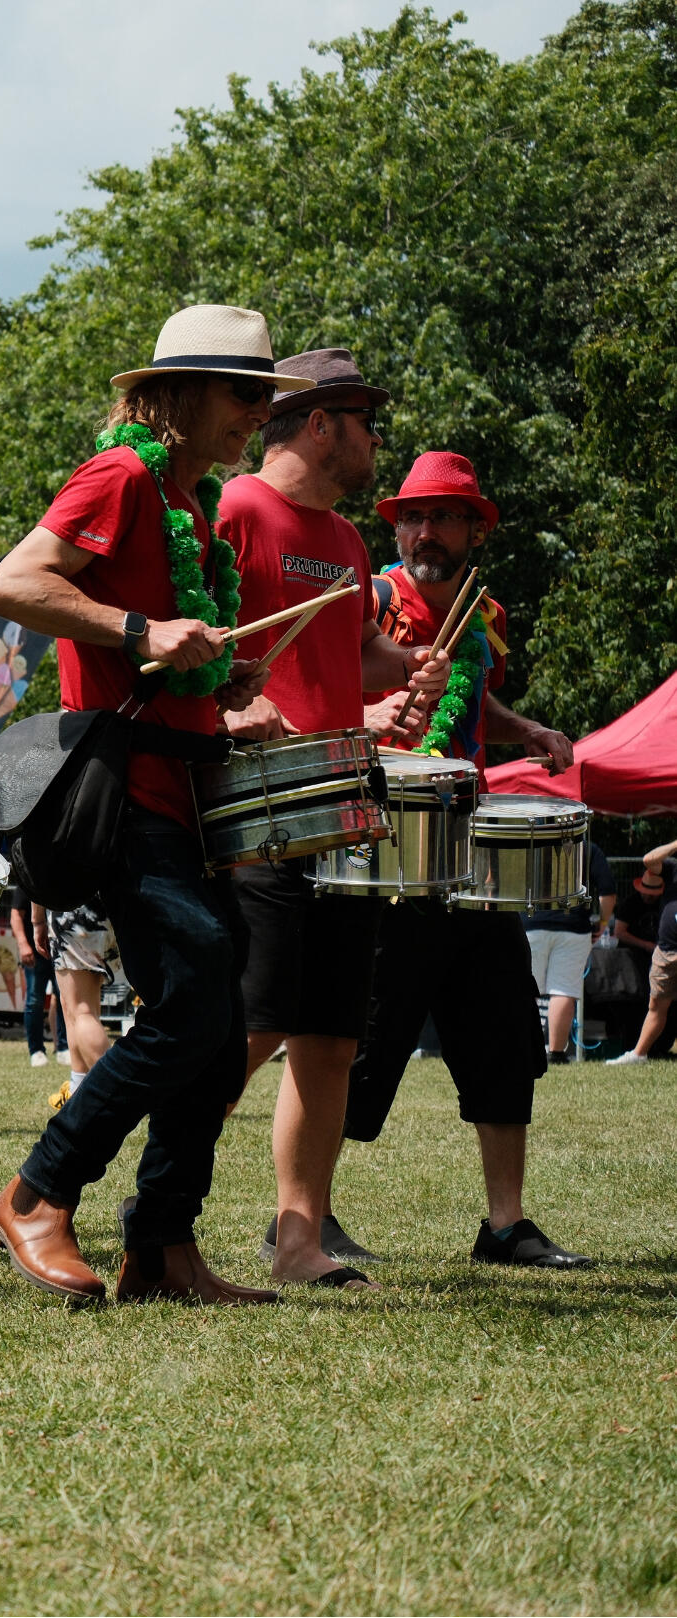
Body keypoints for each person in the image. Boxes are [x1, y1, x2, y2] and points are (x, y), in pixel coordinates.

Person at [0, 304, 292, 1306]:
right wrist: (138, 626)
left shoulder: (191, 505)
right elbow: (13, 584)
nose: (256, 415)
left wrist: (227, 680)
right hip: (126, 796)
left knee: (213, 1009)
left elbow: (172, 657)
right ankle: (36, 1191)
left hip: (193, 786)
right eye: (245, 395)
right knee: (195, 993)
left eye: (263, 398)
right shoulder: (118, 477)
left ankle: (160, 1247)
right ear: (187, 392)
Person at [211, 350, 446, 1288]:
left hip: (345, 803)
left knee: (331, 1036)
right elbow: (187, 636)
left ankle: (298, 1240)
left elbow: (354, 656)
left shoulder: (348, 544)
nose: (375, 439)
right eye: (364, 421)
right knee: (252, 1022)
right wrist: (230, 711)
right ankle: (146, 1193)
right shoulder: (233, 510)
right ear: (319, 423)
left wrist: (405, 673)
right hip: (257, 803)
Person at [343, 451, 590, 1268]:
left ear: (475, 529)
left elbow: (472, 700)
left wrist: (530, 733)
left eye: (443, 516)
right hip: (385, 857)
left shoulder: (487, 616)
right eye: (412, 516)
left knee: (504, 1035)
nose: (424, 531)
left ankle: (505, 1225)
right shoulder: (373, 601)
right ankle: (300, 1218)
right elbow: (324, 690)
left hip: (472, 856)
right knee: (358, 1043)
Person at [527, 837, 616, 1063]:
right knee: (563, 990)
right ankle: (555, 1054)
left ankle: (522, 1049)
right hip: (573, 926)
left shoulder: (529, 842)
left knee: (525, 989)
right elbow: (607, 891)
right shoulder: (588, 848)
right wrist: (603, 922)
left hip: (530, 922)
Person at [40, 900, 119, 1110]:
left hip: (73, 903)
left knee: (81, 1009)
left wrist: (37, 919)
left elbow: (34, 868)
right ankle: (77, 1088)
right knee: (75, 1006)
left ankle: (115, 1097)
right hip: (111, 902)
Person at [606, 896, 677, 1066]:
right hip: (666, 952)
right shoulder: (670, 873)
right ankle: (639, 1054)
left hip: (666, 951)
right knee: (656, 1006)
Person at [6, 885, 56, 1068]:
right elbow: (15, 915)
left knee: (64, 1000)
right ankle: (36, 1051)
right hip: (35, 951)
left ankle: (65, 1047)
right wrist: (23, 945)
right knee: (34, 1000)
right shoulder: (28, 880)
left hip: (61, 949)